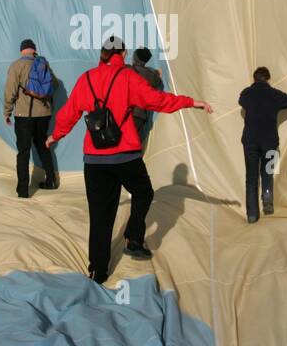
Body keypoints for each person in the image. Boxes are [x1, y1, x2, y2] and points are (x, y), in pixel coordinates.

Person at [47, 36, 213, 283]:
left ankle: (98, 270)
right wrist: (192, 103)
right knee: (144, 192)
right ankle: (134, 239)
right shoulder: (128, 77)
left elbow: (69, 113)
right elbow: (159, 101)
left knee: (99, 214)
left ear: (103, 53)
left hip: (94, 159)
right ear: (123, 54)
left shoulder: (87, 78)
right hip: (125, 156)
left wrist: (54, 136)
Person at [238, 66, 287, 223]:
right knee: (268, 174)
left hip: (250, 142)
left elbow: (241, 101)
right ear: (268, 79)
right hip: (271, 142)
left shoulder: (246, 93)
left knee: (251, 178)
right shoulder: (275, 95)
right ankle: (268, 204)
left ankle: (252, 216)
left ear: (254, 78)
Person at [3, 38, 58, 197]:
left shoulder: (16, 66)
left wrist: (7, 112)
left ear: (22, 51)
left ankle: (23, 190)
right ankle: (51, 180)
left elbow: (10, 92)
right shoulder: (43, 64)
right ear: (34, 50)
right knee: (43, 145)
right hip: (44, 114)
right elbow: (54, 85)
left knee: (23, 152)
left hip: (24, 115)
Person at [129, 47, 163, 146]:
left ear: (134, 57)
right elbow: (157, 76)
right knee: (133, 143)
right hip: (139, 115)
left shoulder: (126, 69)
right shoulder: (151, 75)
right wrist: (157, 72)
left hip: (125, 113)